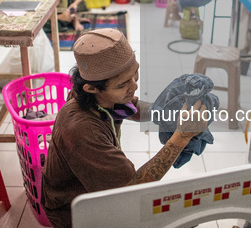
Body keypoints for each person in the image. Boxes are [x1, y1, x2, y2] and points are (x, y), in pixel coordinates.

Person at [41, 29, 208, 227]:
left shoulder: (99, 96)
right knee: (181, 218)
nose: (134, 86)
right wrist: (181, 136)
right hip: (75, 211)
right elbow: (134, 190)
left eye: (134, 73)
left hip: (99, 190)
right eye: (123, 84)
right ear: (91, 88)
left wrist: (167, 112)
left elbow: (131, 107)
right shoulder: (82, 130)